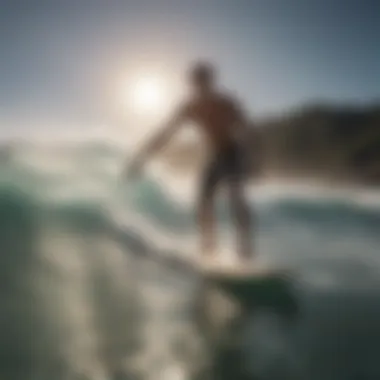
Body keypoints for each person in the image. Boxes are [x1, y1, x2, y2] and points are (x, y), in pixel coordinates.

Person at [125, 61, 255, 263]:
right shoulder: (190, 108)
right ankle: (209, 249)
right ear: (193, 85)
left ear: (212, 82)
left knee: (235, 196)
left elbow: (246, 129)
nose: (202, 87)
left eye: (206, 82)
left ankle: (245, 251)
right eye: (198, 83)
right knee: (203, 200)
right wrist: (141, 159)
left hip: (234, 152)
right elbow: (165, 134)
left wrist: (253, 158)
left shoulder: (226, 103)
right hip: (215, 156)